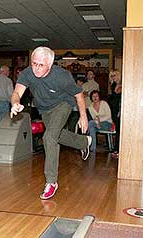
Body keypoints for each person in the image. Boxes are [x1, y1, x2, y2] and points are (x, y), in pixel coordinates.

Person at [11, 46, 92, 200]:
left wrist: (83, 116)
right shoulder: (28, 73)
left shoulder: (62, 76)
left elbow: (79, 94)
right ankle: (83, 142)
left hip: (63, 104)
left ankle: (51, 182)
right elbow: (17, 92)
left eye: (41, 65)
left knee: (49, 138)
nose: (36, 68)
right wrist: (15, 103)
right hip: (44, 109)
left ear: (50, 64)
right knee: (56, 135)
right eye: (34, 63)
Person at [107, 69, 122, 158]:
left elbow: (121, 100)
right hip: (113, 109)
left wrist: (120, 110)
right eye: (111, 75)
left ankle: (118, 148)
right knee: (117, 129)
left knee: (119, 130)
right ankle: (117, 148)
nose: (113, 77)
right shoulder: (113, 85)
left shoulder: (121, 85)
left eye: (114, 75)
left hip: (118, 110)